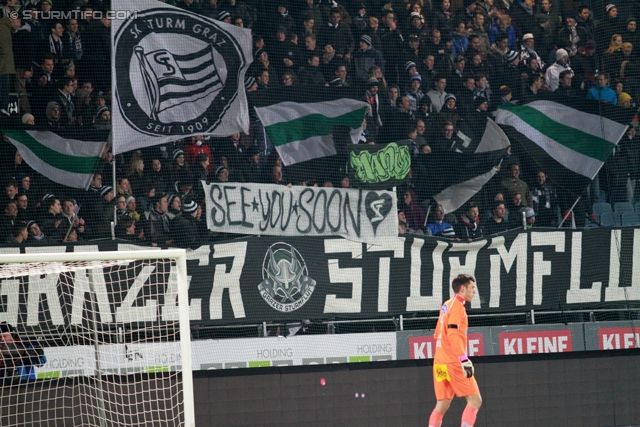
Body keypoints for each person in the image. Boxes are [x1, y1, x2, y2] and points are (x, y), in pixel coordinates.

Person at [428, 274, 482, 427]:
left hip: (439, 361)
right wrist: (463, 359)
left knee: (442, 404)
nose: (474, 291)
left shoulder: (447, 304)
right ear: (462, 289)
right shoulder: (458, 307)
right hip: (453, 361)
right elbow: (452, 335)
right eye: (472, 288)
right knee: (475, 400)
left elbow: (437, 334)